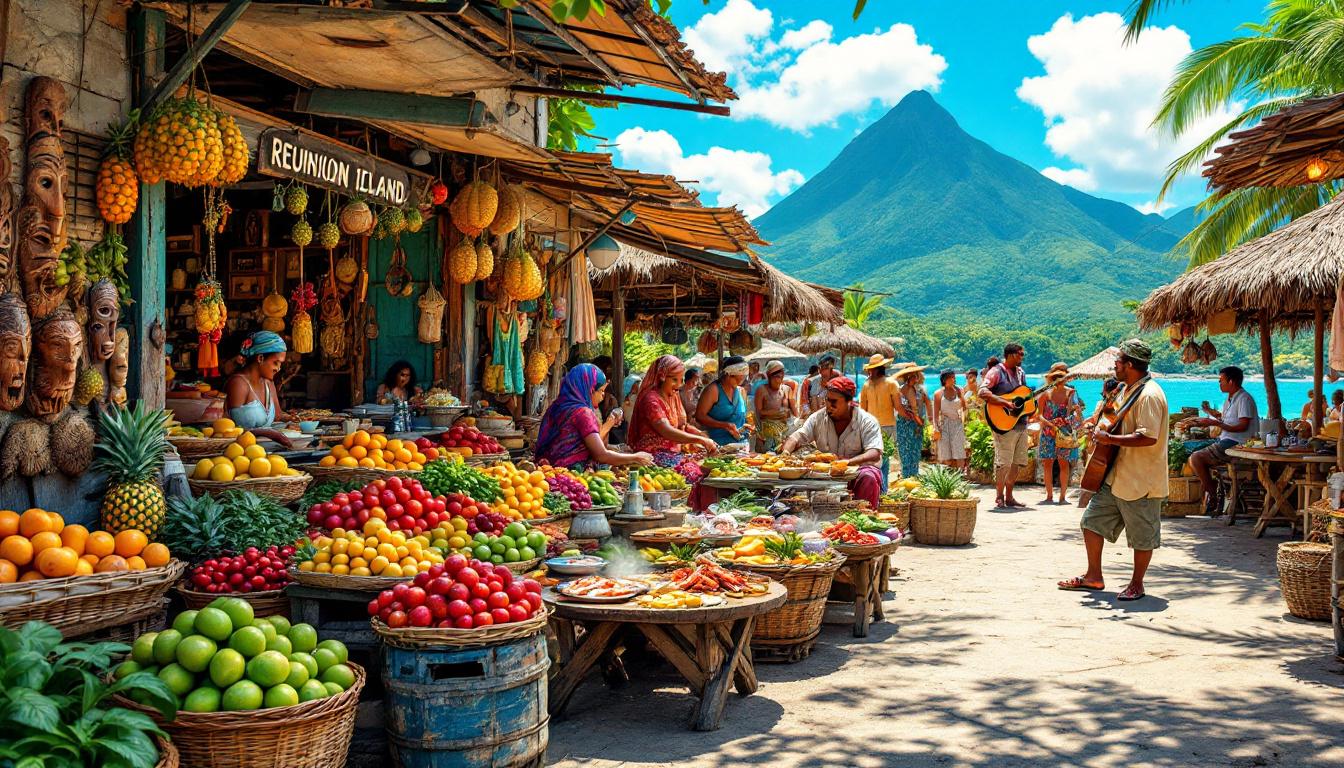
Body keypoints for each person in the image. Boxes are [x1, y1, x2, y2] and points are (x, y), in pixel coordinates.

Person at [1059, 339, 1168, 602]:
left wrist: (1110, 440)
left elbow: (1148, 437)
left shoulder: (1150, 395)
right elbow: (1114, 419)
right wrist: (1099, 428)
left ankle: (1137, 584)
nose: (1114, 365)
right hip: (1116, 474)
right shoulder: (1126, 390)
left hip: (1141, 479)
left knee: (1142, 538)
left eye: (1118, 361)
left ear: (1129, 365)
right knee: (1091, 522)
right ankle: (1094, 577)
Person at [781, 375, 884, 507]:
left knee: (868, 477)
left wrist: (847, 462)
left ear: (849, 402)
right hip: (827, 474)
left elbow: (874, 453)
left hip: (858, 471)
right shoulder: (818, 418)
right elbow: (796, 437)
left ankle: (863, 517)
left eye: (834, 401)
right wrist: (785, 453)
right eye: (827, 400)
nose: (828, 405)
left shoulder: (866, 421)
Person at [534, 364, 653, 469]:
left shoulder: (554, 408)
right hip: (572, 476)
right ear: (590, 390)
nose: (602, 397)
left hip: (547, 472)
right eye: (600, 391)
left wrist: (609, 423)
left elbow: (598, 444)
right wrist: (635, 457)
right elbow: (601, 454)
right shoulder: (582, 413)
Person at [1187, 366, 1258, 515]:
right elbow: (1227, 421)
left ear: (1231, 381)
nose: (1219, 384)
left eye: (1221, 381)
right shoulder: (1230, 399)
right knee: (1191, 451)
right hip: (1226, 439)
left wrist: (1214, 423)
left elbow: (1243, 426)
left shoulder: (1244, 398)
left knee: (1196, 458)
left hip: (1237, 443)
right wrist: (1209, 417)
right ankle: (1214, 490)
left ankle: (1213, 494)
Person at [627, 355, 716, 462]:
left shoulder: (673, 395)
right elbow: (667, 431)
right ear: (662, 377)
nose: (678, 385)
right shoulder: (651, 400)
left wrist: (701, 434)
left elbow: (682, 425)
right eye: (674, 379)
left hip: (673, 454)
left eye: (681, 380)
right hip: (653, 458)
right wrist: (700, 440)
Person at [979, 344, 1029, 508]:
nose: (1022, 357)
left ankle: (1009, 496)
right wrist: (1006, 403)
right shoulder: (996, 372)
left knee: (1016, 462)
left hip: (1020, 423)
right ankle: (999, 496)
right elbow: (983, 392)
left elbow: (1023, 395)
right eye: (1020, 354)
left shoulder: (1021, 373)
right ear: (1011, 355)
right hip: (1003, 424)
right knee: (1004, 462)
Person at [223, 331, 293, 448]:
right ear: (260, 358)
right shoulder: (239, 383)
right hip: (240, 455)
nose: (278, 369)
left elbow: (278, 417)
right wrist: (270, 434)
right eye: (275, 363)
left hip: (265, 454)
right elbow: (229, 429)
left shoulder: (268, 384)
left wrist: (295, 422)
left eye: (280, 364)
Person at [1036, 364, 1084, 505]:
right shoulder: (1045, 394)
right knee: (1048, 464)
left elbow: (1077, 412)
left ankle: (1062, 497)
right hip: (1049, 432)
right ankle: (1050, 496)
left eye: (1061, 377)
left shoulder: (1071, 393)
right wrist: (1051, 424)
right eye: (1057, 377)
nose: (1059, 380)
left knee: (1063, 464)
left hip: (1062, 433)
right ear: (1052, 378)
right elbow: (1039, 415)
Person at [858, 354, 899, 488]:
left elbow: (862, 410)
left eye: (871, 369)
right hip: (880, 426)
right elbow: (898, 406)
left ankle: (881, 488)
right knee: (880, 460)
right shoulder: (890, 384)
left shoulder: (869, 385)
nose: (869, 372)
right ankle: (880, 488)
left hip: (879, 427)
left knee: (879, 460)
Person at [696, 355, 750, 446]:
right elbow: (699, 416)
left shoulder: (740, 391)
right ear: (728, 375)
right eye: (737, 379)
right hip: (718, 445)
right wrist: (724, 425)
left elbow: (743, 417)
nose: (740, 382)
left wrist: (748, 426)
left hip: (741, 444)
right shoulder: (713, 390)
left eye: (743, 379)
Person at [894, 364, 931, 480]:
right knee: (905, 449)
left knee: (915, 449)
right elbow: (898, 407)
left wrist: (929, 419)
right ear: (907, 377)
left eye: (916, 376)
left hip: (917, 424)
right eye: (912, 376)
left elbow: (928, 403)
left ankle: (914, 475)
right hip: (904, 423)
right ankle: (906, 476)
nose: (915, 378)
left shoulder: (921, 390)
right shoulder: (900, 390)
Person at [753, 360, 796, 452]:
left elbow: (795, 413)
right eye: (775, 376)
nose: (779, 378)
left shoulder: (787, 390)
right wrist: (775, 413)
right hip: (766, 435)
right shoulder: (761, 390)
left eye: (781, 374)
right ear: (769, 376)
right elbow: (757, 414)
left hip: (784, 433)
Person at [932, 369, 967, 470]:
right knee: (946, 453)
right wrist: (935, 428)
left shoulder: (959, 390)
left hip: (957, 423)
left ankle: (960, 475)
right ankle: (950, 476)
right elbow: (935, 414)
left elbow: (964, 407)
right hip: (944, 424)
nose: (954, 379)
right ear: (945, 379)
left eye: (954, 377)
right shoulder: (938, 393)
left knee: (959, 452)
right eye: (952, 377)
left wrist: (960, 395)